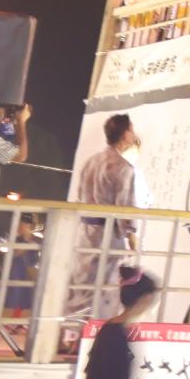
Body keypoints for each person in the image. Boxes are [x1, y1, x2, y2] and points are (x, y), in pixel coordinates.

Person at [72, 114, 142, 310]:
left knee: (82, 284)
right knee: (106, 286)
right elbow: (124, 204)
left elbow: (80, 194)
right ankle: (96, 331)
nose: (134, 134)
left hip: (86, 230)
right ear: (125, 134)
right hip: (108, 232)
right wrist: (130, 234)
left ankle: (74, 331)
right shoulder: (122, 167)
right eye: (131, 129)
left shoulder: (92, 161)